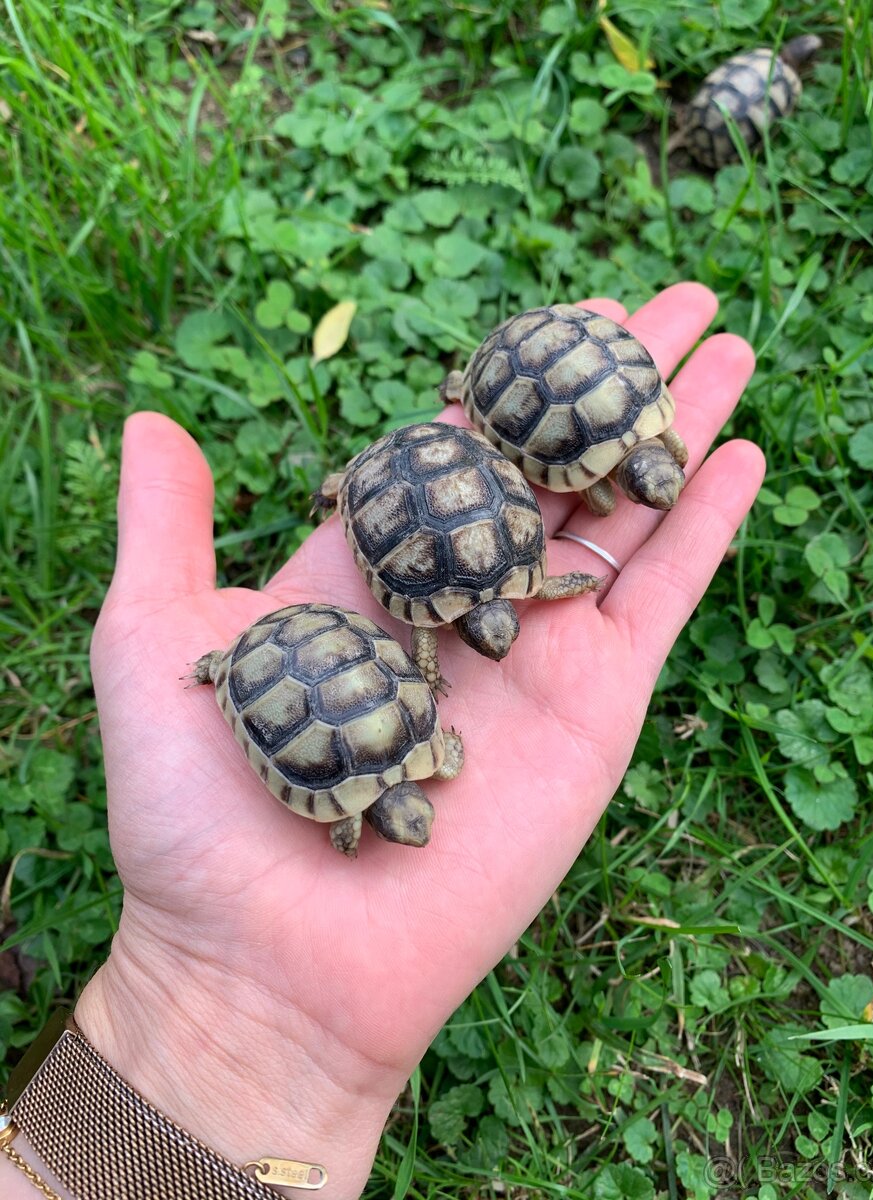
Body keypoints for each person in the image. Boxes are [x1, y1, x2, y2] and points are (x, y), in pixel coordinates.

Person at [1, 284, 765, 1199]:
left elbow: (468, 621)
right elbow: (442, 639)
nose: (494, 643)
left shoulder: (460, 646)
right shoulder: (424, 698)